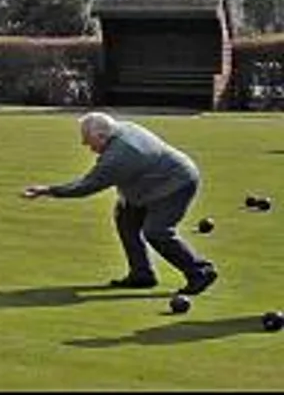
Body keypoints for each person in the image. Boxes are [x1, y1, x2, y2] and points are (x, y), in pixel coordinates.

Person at [21, 111, 218, 295]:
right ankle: (142, 275)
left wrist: (48, 190)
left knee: (157, 231)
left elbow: (86, 186)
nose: (85, 145)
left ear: (101, 136)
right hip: (150, 184)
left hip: (176, 184)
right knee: (126, 219)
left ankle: (200, 272)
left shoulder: (119, 156)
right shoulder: (122, 128)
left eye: (88, 141)